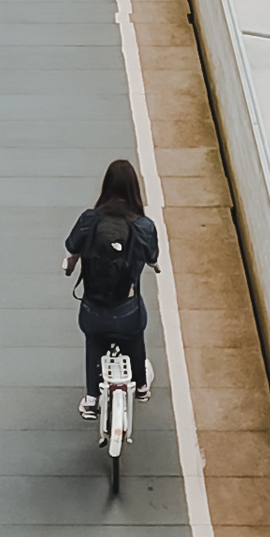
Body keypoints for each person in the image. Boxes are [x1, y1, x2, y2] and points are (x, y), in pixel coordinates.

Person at [64, 159, 160, 420]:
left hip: (92, 310)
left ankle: (92, 398)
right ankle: (140, 386)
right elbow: (152, 256)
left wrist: (70, 266)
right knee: (135, 334)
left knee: (94, 341)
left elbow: (72, 247)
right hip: (127, 312)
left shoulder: (89, 220)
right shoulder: (143, 226)